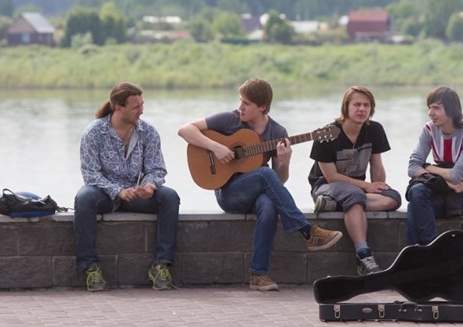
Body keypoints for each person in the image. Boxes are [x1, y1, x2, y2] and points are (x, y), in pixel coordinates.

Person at [177, 78, 343, 292]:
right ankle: (307, 231)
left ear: (262, 107)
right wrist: (216, 147)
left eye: (246, 103)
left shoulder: (277, 132)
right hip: (228, 193)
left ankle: (258, 274)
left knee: (269, 204)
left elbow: (278, 182)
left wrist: (285, 162)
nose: (240, 107)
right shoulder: (230, 120)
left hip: (256, 193)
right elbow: (184, 130)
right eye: (240, 101)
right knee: (264, 173)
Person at [75, 82, 180, 292]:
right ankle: (90, 268)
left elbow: (157, 168)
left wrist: (149, 185)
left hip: (137, 194)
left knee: (170, 197)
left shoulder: (148, 132)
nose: (141, 110)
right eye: (136, 107)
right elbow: (90, 174)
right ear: (118, 107)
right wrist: (118, 191)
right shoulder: (94, 133)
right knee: (84, 197)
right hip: (105, 194)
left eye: (142, 105)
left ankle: (161, 266)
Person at [308, 85, 401, 275]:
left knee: (393, 198)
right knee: (355, 195)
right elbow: (331, 177)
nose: (362, 109)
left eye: (366, 105)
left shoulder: (375, 129)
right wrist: (365, 186)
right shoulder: (326, 134)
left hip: (356, 190)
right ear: (346, 107)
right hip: (325, 186)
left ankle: (332, 205)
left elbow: (377, 166)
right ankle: (363, 255)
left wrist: (378, 186)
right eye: (357, 104)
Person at [406, 86, 463, 246]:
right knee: (416, 191)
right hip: (442, 184)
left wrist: (427, 166)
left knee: (414, 208)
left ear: (451, 110)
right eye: (429, 107)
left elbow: (457, 175)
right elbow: (412, 167)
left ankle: (422, 255)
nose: (430, 112)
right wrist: (446, 181)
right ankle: (432, 252)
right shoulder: (429, 129)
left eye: (436, 108)